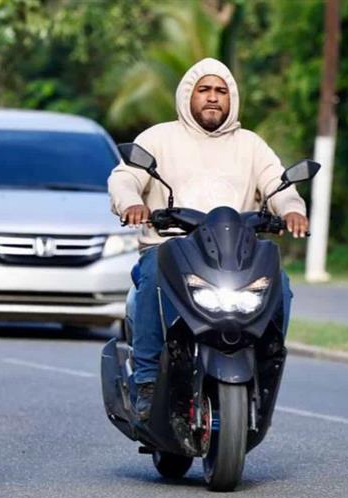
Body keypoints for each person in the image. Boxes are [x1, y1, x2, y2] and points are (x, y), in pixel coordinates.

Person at [108, 58, 309, 420]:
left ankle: (265, 364)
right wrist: (132, 202)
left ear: (232, 98)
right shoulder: (158, 138)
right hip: (169, 248)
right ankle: (148, 382)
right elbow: (126, 178)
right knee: (153, 282)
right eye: (204, 90)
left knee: (282, 285)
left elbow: (279, 185)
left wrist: (292, 208)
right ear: (188, 96)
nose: (213, 98)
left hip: (236, 254)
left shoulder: (251, 145)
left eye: (221, 91)